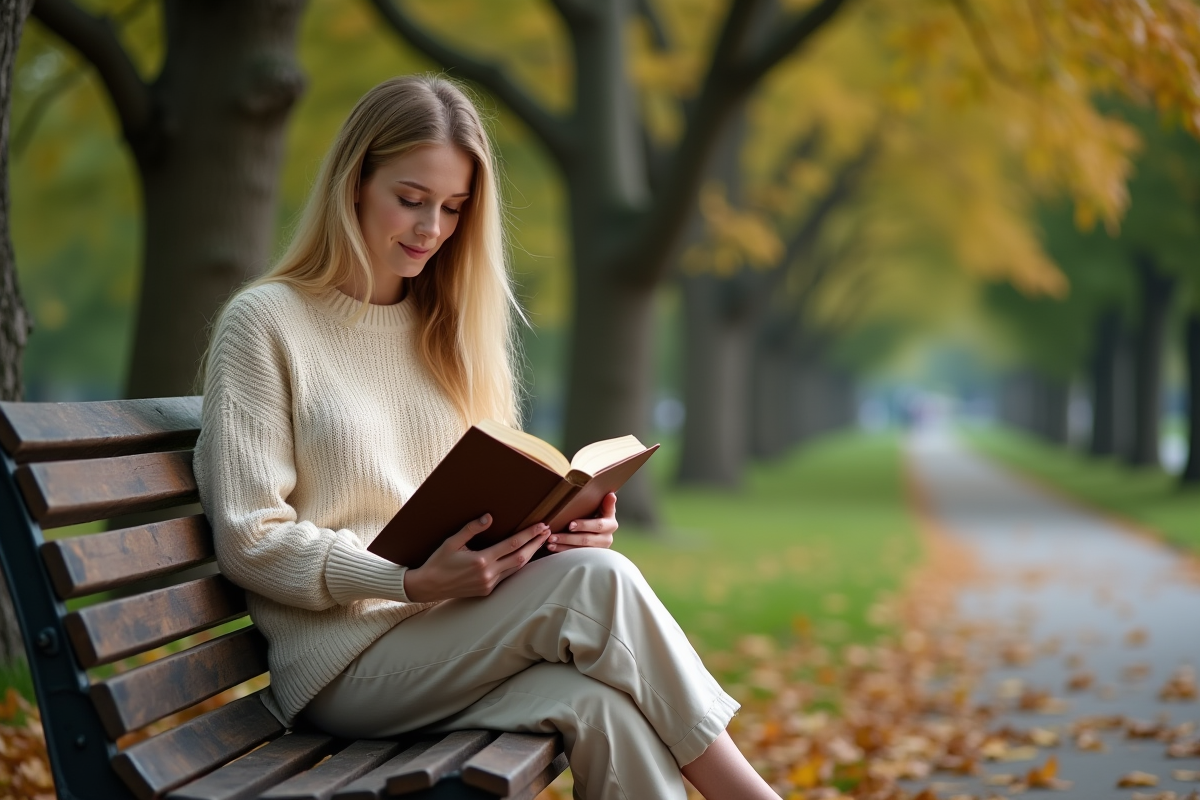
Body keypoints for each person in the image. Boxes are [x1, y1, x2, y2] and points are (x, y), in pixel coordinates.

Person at [194, 74, 779, 800]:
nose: (431, 229)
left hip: (456, 634)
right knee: (599, 584)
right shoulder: (267, 323)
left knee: (604, 708)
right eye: (411, 199)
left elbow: (484, 505)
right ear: (354, 184)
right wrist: (404, 581)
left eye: (453, 208)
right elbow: (250, 537)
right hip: (345, 664)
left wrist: (559, 531)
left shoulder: (448, 329)